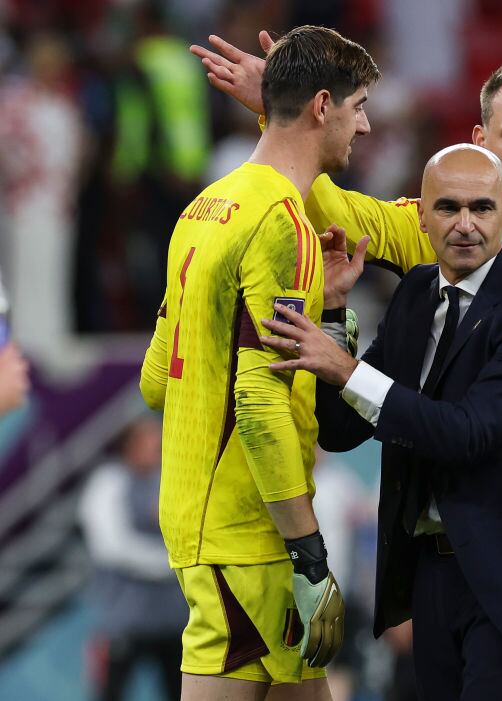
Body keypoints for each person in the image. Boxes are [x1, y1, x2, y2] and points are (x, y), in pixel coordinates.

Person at [190, 37, 502, 697]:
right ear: (481, 139)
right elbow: (324, 199)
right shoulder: (436, 246)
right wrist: (286, 112)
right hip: (463, 550)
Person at [258, 144, 502, 700]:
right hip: (434, 573)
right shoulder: (416, 292)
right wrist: (338, 314)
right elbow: (343, 431)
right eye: (448, 208)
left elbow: (467, 433)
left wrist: (345, 368)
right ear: (420, 215)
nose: (465, 225)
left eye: (482, 208)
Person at [139, 25, 379, 700]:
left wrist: (328, 307)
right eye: (360, 106)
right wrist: (311, 553)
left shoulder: (202, 208)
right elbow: (260, 399)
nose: (365, 126)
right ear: (323, 105)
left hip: (205, 518)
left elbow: (156, 380)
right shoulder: (282, 221)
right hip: (248, 536)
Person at [79, 417, 189, 701]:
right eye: (150, 440)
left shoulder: (169, 480)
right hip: (125, 621)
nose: (158, 446)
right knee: (112, 693)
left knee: (179, 693)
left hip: (173, 620)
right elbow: (112, 547)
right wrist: (172, 562)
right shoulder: (108, 483)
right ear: (130, 446)